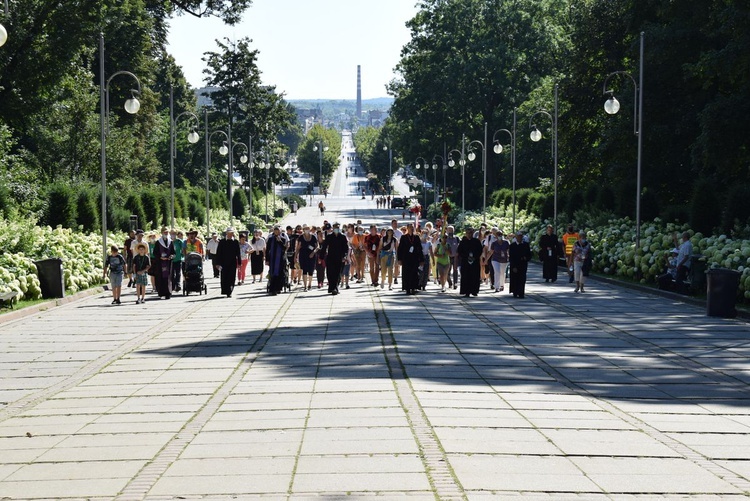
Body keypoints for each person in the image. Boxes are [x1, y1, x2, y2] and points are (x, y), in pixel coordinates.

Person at [321, 222, 349, 295]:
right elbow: (324, 247)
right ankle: (331, 287)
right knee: (330, 273)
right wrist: (321, 256)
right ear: (333, 228)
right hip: (330, 257)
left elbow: (346, 248)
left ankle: (335, 288)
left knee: (338, 273)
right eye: (335, 228)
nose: (336, 229)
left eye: (338, 228)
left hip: (340, 258)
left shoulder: (342, 237)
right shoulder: (329, 237)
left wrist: (345, 256)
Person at [397, 223, 424, 295]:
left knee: (414, 273)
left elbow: (420, 249)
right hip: (406, 258)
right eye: (409, 227)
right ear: (407, 228)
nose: (411, 229)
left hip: (414, 258)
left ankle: (413, 287)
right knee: (406, 273)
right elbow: (400, 249)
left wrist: (421, 259)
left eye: (412, 227)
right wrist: (399, 259)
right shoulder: (403, 237)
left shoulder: (416, 237)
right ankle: (407, 288)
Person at [215, 227, 241, 297]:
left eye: (231, 233)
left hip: (232, 262)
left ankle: (230, 291)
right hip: (223, 262)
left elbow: (238, 253)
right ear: (226, 233)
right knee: (224, 277)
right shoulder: (222, 242)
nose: (230, 234)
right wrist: (217, 263)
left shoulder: (235, 242)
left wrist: (239, 263)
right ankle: (225, 290)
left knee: (232, 277)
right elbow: (218, 253)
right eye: (228, 233)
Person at [457, 227, 482, 297]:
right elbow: (459, 251)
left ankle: (474, 291)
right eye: (468, 233)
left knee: (475, 276)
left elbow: (480, 250)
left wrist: (474, 257)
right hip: (465, 262)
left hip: (475, 262)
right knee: (466, 276)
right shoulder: (463, 242)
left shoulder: (476, 241)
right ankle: (466, 291)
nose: (469, 234)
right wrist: (466, 257)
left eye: (470, 233)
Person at [266, 225, 289, 295]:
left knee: (280, 273)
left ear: (280, 231)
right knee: (272, 273)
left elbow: (284, 249)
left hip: (281, 259)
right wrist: (267, 259)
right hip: (273, 259)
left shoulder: (283, 239)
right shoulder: (270, 239)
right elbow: (267, 250)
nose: (276, 232)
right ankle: (272, 288)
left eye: (278, 231)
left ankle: (278, 288)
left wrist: (280, 241)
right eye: (275, 231)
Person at [295, 224, 319, 291]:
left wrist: (313, 252)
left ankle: (310, 284)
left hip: (311, 256)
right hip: (303, 255)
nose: (307, 230)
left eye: (308, 229)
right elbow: (298, 247)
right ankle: (305, 286)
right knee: (304, 270)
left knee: (311, 270)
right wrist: (295, 256)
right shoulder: (301, 237)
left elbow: (317, 246)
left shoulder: (313, 237)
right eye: (305, 229)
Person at [509, 231, 532, 298]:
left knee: (522, 279)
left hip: (523, 264)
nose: (519, 238)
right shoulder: (512, 246)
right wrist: (513, 266)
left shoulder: (525, 245)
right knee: (515, 278)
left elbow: (529, 255)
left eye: (521, 236)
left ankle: (521, 292)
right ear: (516, 237)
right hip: (515, 264)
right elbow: (511, 257)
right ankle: (515, 292)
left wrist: (526, 258)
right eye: (518, 236)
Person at [154, 227, 175, 299]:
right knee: (161, 277)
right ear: (162, 233)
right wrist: (160, 257)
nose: (166, 233)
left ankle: (168, 293)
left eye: (167, 232)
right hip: (160, 263)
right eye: (164, 232)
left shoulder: (170, 242)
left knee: (168, 278)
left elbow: (173, 252)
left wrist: (171, 256)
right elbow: (155, 253)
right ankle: (161, 293)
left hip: (168, 263)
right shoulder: (158, 242)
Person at [446, 225, 460, 290]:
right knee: (447, 271)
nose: (450, 232)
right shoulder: (445, 238)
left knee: (455, 270)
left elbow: (460, 247)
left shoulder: (457, 238)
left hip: (455, 257)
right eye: (449, 230)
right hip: (447, 257)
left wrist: (457, 254)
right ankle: (450, 283)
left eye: (451, 230)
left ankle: (455, 283)